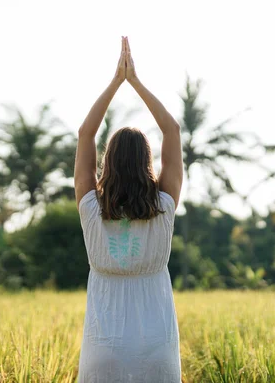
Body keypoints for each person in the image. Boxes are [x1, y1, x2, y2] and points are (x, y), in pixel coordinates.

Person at [74, 36, 183, 382]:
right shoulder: (164, 205)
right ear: (146, 162)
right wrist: (135, 82)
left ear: (108, 162)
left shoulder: (91, 207)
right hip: (157, 347)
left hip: (103, 347)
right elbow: (172, 130)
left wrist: (115, 83)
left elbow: (85, 134)